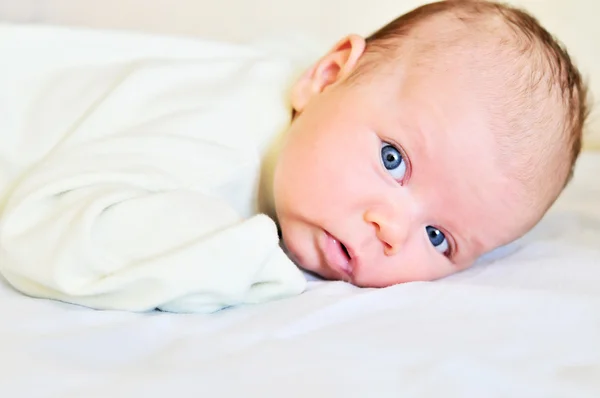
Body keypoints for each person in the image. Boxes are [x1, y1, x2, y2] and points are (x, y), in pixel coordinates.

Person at [0, 0, 588, 312]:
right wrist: (255, 259)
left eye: (439, 239)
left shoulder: (327, 112)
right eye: (392, 160)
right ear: (325, 74)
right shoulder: (218, 137)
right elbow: (41, 232)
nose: (392, 231)